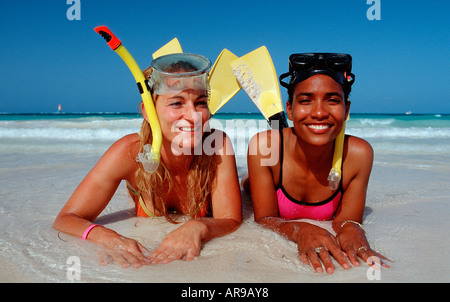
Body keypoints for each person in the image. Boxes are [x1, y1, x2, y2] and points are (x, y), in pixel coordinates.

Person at [53, 53, 242, 268]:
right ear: (148, 111)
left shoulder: (216, 145)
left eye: (200, 103)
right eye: (177, 103)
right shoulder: (130, 152)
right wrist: (108, 238)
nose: (194, 116)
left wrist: (198, 226)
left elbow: (231, 220)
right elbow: (66, 218)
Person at [246, 53, 389, 274]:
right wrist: (299, 230)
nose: (320, 113)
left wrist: (352, 228)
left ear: (347, 110)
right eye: (305, 100)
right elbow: (265, 219)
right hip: (275, 159)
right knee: (247, 185)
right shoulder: (264, 147)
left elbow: (347, 220)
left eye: (332, 100)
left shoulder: (358, 155)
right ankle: (249, 179)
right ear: (290, 110)